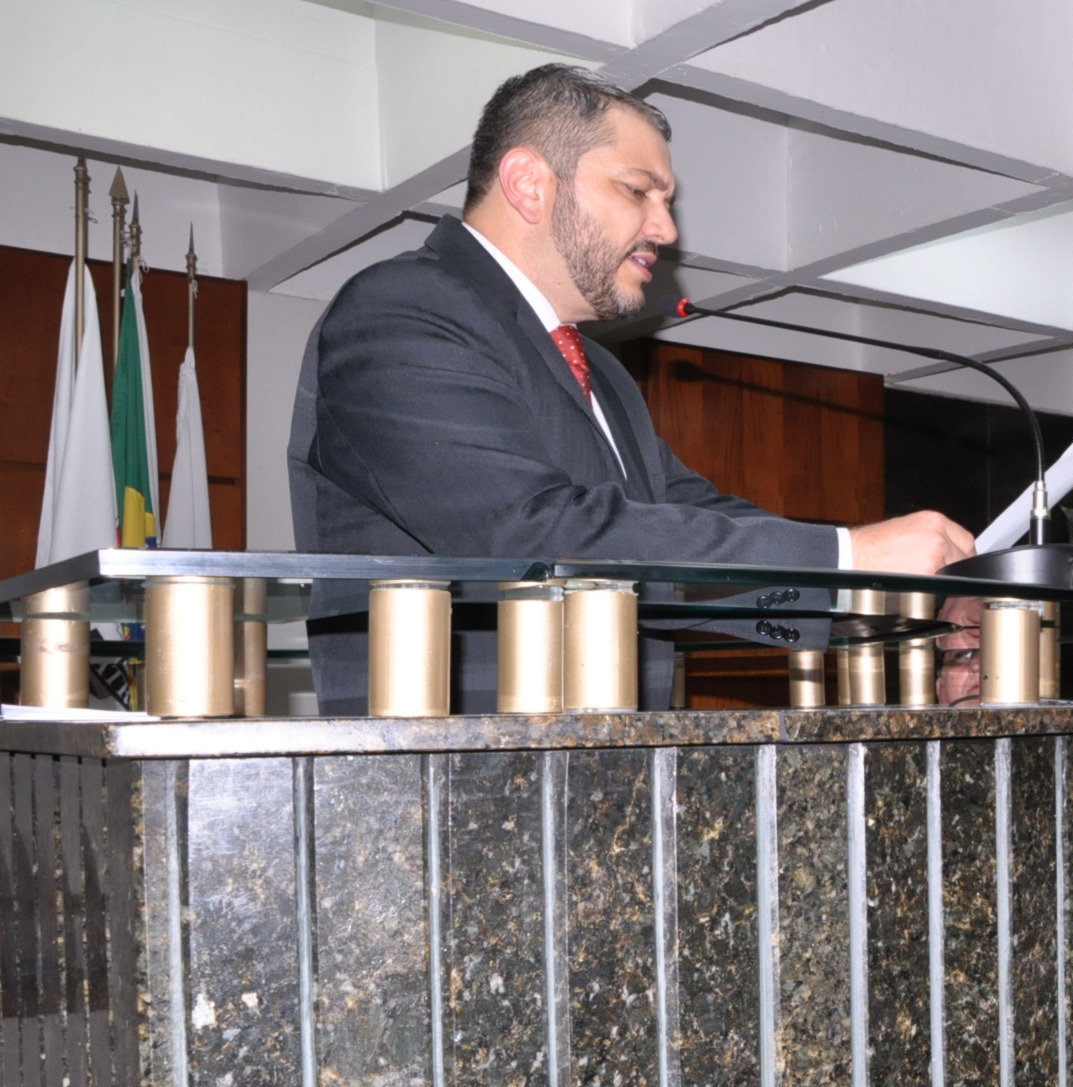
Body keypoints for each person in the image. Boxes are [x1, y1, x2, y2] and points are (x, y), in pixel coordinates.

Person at [289, 64, 974, 713]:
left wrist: (865, 566)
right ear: (529, 183)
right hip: (451, 771)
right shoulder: (402, 309)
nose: (666, 230)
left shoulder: (601, 369)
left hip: (610, 762)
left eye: (666, 202)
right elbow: (527, 532)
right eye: (638, 191)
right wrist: (846, 556)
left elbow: (684, 513)